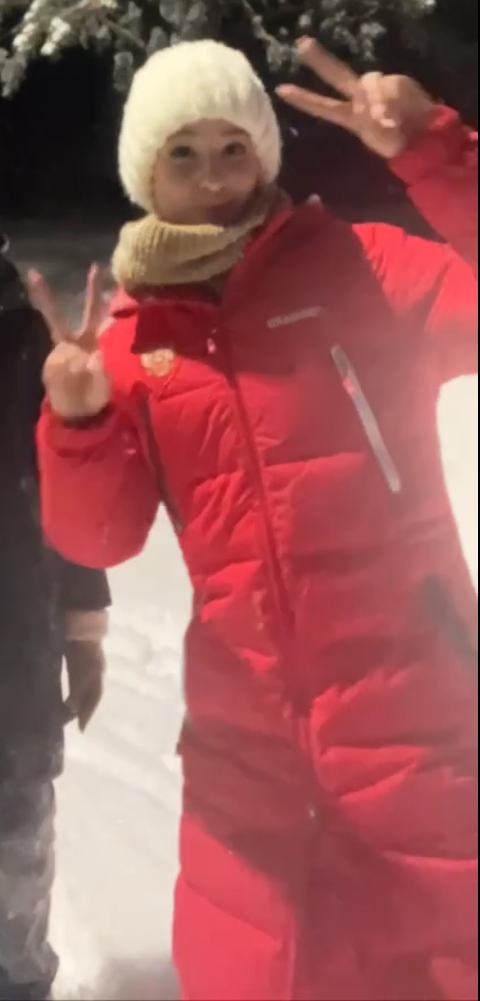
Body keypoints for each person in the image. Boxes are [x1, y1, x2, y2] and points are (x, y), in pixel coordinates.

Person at [33, 38, 478, 1001]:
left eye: (233, 148)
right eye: (183, 154)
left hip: (418, 732)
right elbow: (99, 539)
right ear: (145, 174)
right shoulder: (133, 341)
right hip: (249, 762)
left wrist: (439, 154)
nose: (212, 178)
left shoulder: (366, 267)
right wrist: (77, 427)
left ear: (266, 155)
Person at [0, 235, 110, 1001]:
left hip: (14, 651)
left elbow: (64, 483)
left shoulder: (20, 335)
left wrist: (84, 624)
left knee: (15, 841)